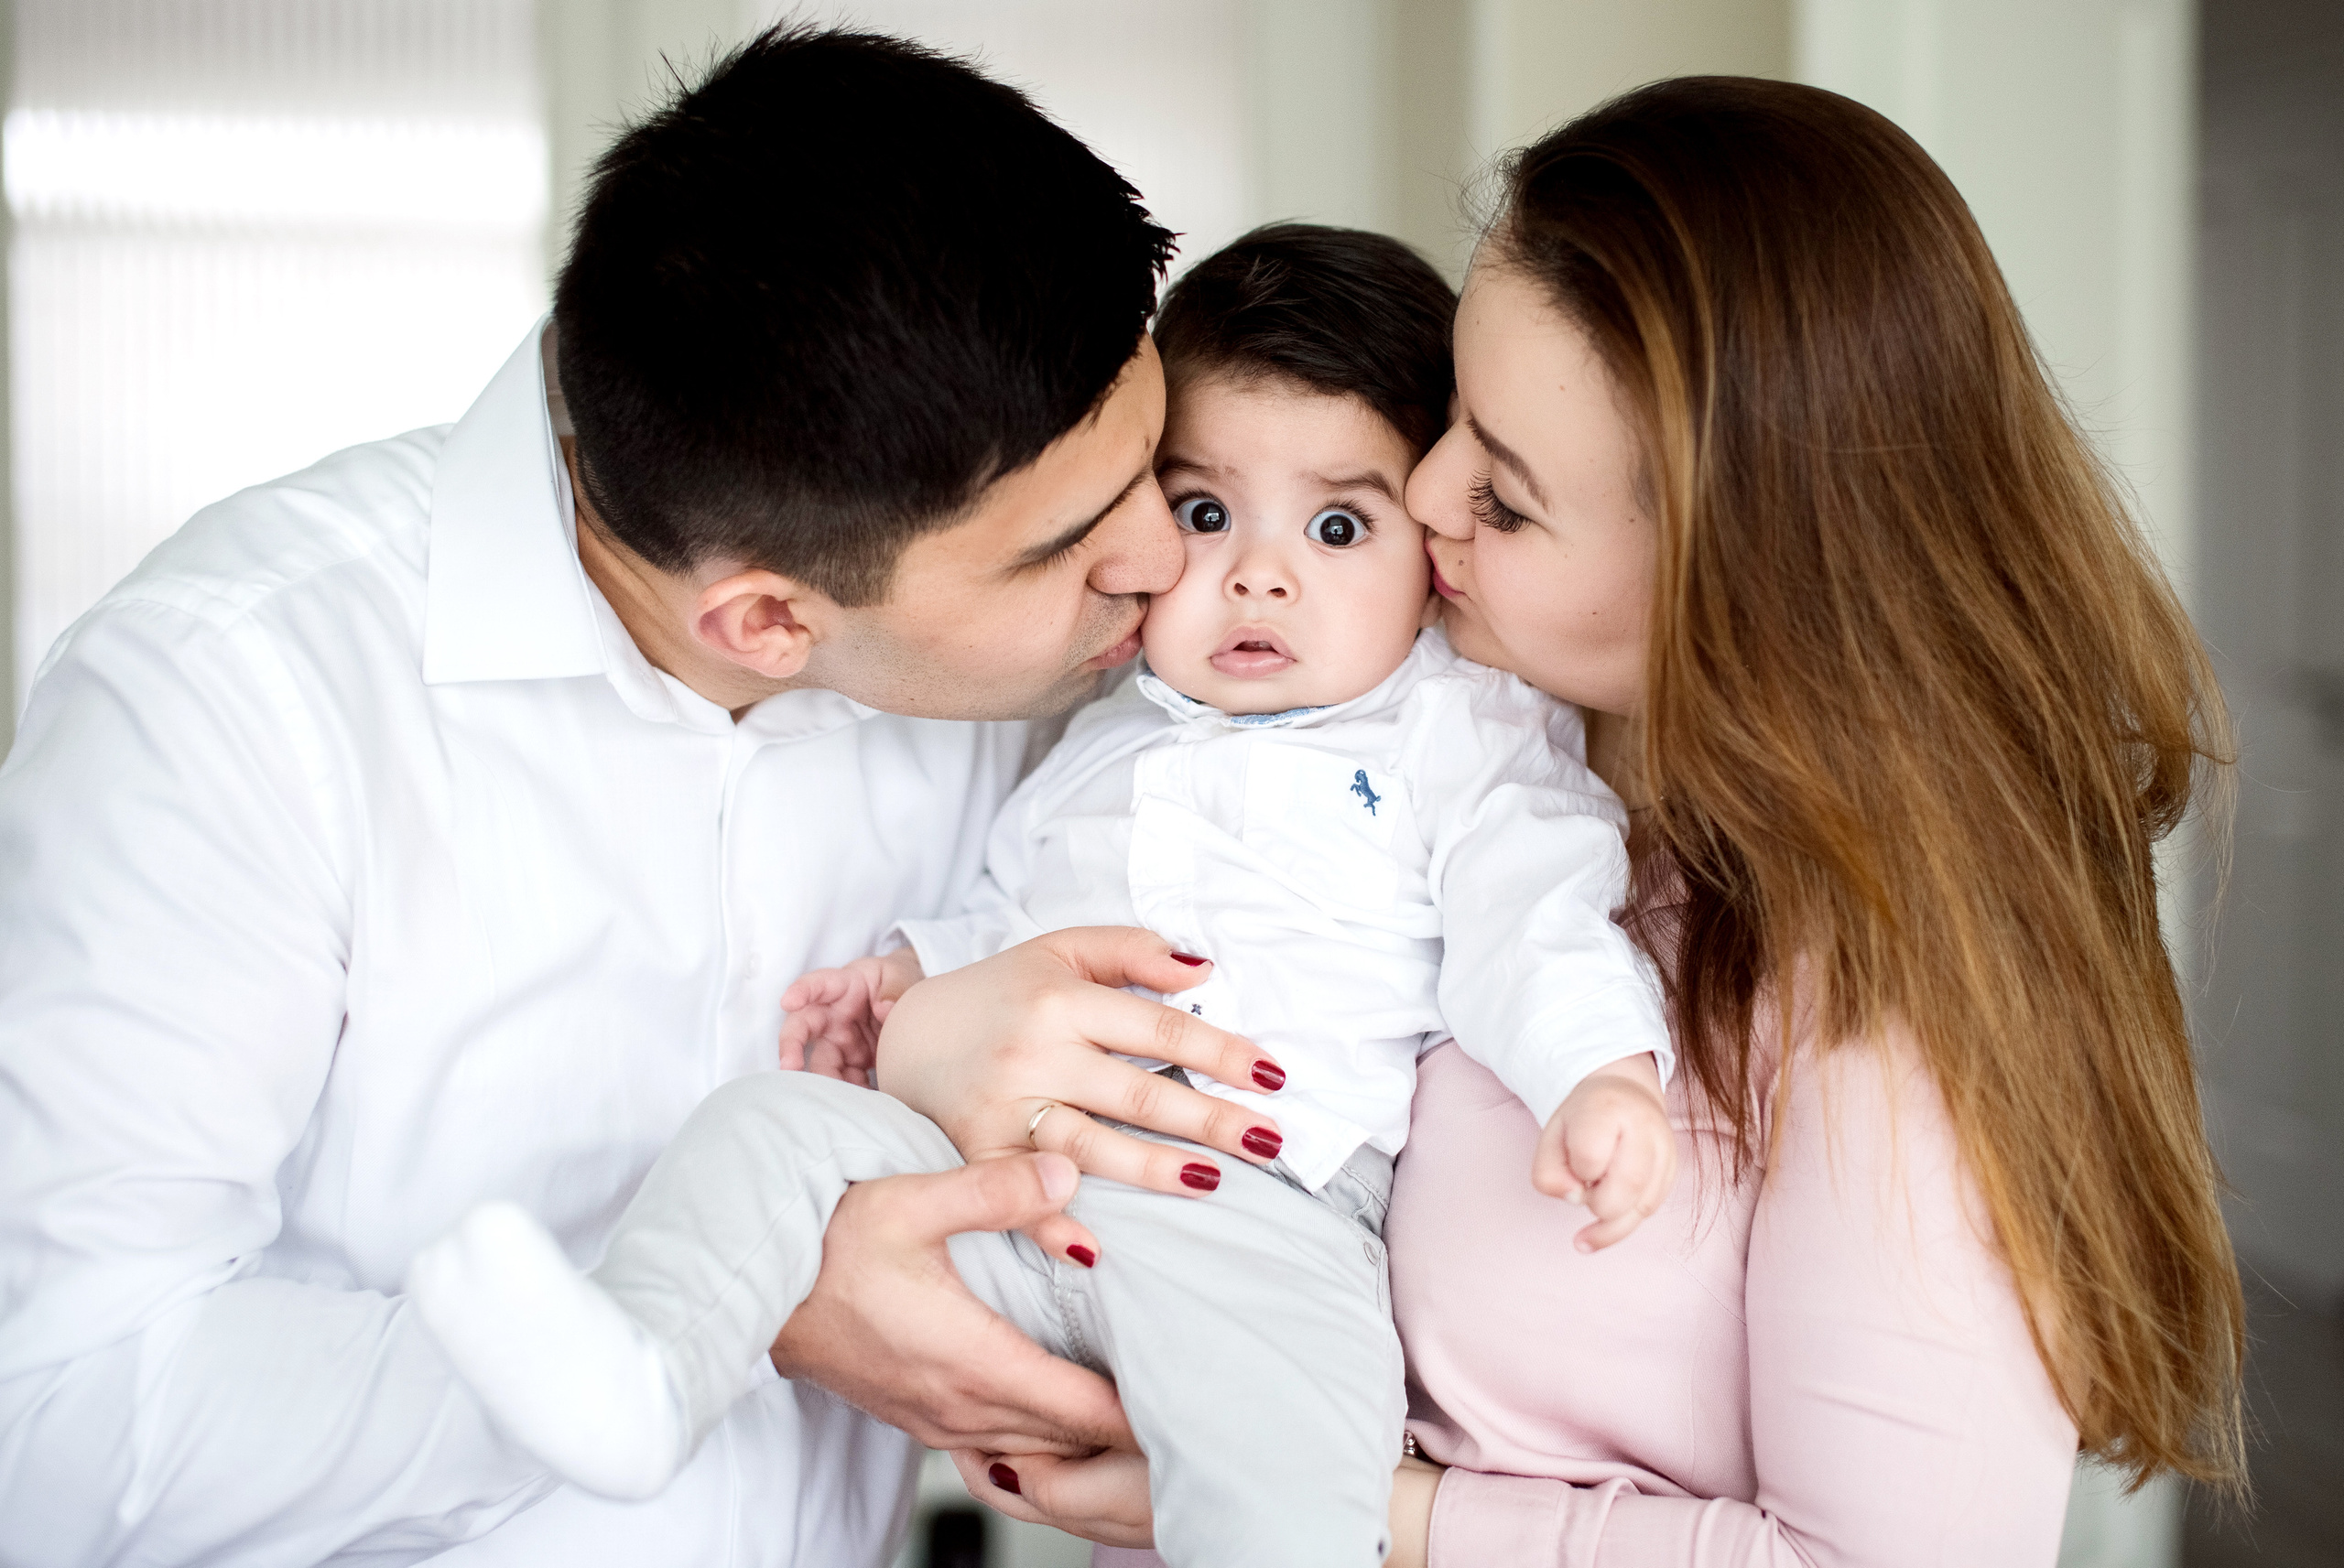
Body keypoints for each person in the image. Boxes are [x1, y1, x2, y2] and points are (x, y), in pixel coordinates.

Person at [0, 27, 1290, 1567]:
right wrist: (736, 1305)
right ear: (767, 622)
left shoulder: (1066, 668)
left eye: (1155, 465)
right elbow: (56, 1418)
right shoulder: (233, 699)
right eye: (1067, 541)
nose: (1163, 556)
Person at [974, 78, 2249, 1567]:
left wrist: (1350, 1505)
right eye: (1456, 414)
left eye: (1506, 498)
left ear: (1731, 571)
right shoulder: (1450, 747)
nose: (1426, 492)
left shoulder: (1888, 982)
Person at [403, 223, 1677, 1568]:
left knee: (1289, 1481)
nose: (1259, 572)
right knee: (765, 1130)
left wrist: (1595, 1068)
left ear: (1430, 557)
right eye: (1203, 513)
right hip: (1007, 1193)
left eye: (1338, 526)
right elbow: (1021, 912)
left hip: (1256, 1208)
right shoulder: (1105, 727)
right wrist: (909, 977)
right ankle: (650, 1364)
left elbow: (1534, 910)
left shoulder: (1458, 729)